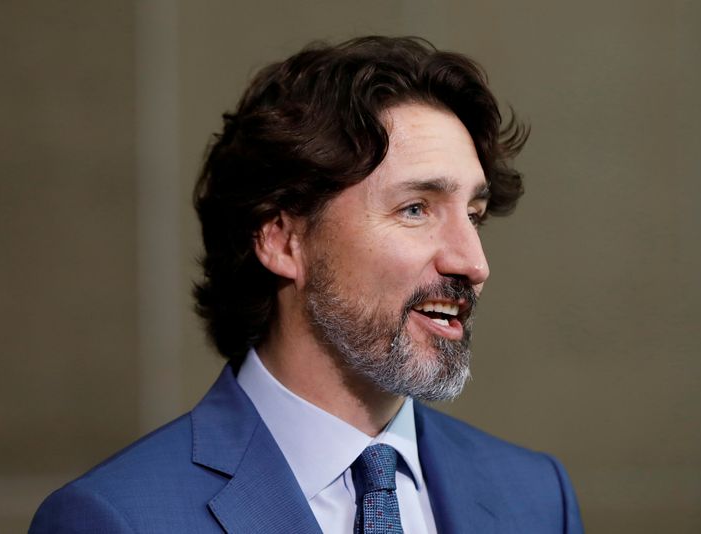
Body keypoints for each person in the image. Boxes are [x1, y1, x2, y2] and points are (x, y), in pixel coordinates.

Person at [30, 36, 583, 533]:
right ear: (282, 240)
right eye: (416, 208)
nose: (474, 262)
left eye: (475, 215)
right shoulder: (114, 519)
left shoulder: (537, 499)